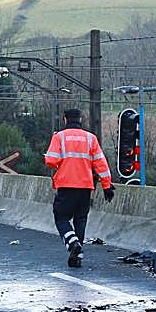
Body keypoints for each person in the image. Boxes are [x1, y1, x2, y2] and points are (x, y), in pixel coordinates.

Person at [45, 109, 114, 268]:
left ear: (65, 120)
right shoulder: (91, 138)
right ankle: (77, 257)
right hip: (85, 187)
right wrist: (106, 185)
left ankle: (73, 243)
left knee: (61, 218)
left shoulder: (59, 137)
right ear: (80, 119)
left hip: (66, 185)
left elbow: (51, 161)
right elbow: (101, 164)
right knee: (80, 219)